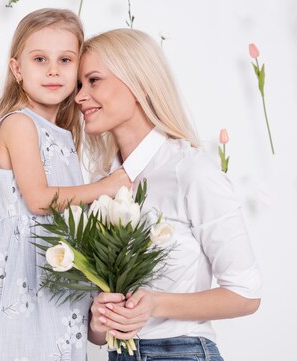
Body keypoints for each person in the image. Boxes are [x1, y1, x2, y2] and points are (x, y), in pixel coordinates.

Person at [75, 28, 262, 361]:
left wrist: (155, 304)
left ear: (139, 82)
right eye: (78, 85)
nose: (79, 97)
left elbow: (246, 294)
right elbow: (97, 337)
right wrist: (101, 316)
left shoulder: (191, 172)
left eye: (93, 80)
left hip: (183, 352)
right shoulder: (100, 183)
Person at [0, 9, 132, 361]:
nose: (52, 70)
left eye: (64, 60)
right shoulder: (19, 124)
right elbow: (40, 200)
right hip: (28, 281)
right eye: (40, 59)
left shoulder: (64, 136)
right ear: (18, 70)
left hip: (59, 277)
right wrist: (108, 185)